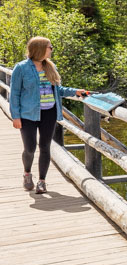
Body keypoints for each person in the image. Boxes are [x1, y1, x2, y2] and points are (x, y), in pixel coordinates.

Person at [9, 36, 91, 194]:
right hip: (28, 114)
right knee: (30, 148)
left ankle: (42, 181)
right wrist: (16, 116)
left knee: (45, 147)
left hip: (49, 113)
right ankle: (27, 174)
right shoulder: (21, 68)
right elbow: (15, 94)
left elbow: (58, 90)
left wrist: (75, 91)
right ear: (39, 48)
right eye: (49, 47)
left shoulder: (51, 67)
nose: (51, 49)